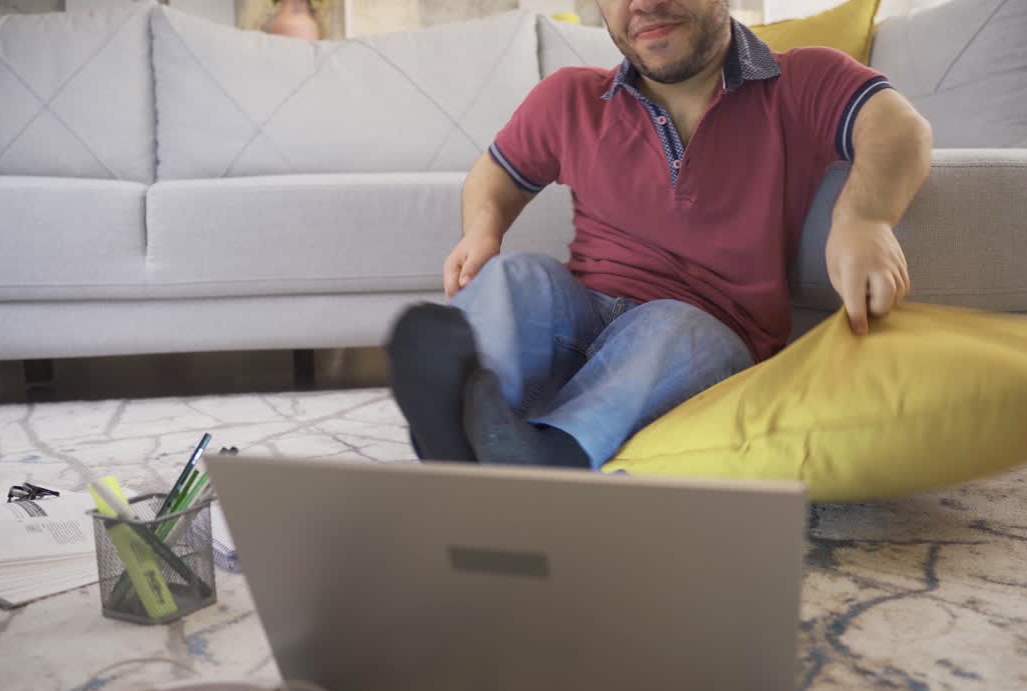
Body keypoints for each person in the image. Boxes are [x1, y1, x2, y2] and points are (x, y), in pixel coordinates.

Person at [386, 0, 933, 470]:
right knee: (516, 276)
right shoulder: (570, 97)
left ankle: (551, 453)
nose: (642, 3)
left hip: (709, 329)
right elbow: (495, 174)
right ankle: (465, 410)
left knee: (675, 328)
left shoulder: (803, 80)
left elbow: (898, 125)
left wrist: (864, 218)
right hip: (585, 312)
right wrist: (483, 230)